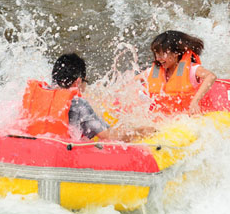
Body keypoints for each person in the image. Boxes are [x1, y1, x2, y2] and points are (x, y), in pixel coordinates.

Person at [20, 53, 150, 141]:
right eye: (85, 82)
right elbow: (110, 136)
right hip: (63, 160)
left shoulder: (36, 95)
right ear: (78, 81)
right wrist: (141, 131)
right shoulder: (78, 104)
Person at [141, 30, 217, 115]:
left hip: (187, 117)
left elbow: (211, 76)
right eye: (156, 54)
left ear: (175, 53)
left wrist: (195, 101)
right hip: (164, 118)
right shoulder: (155, 71)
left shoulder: (191, 69)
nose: (158, 58)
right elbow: (133, 81)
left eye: (162, 54)